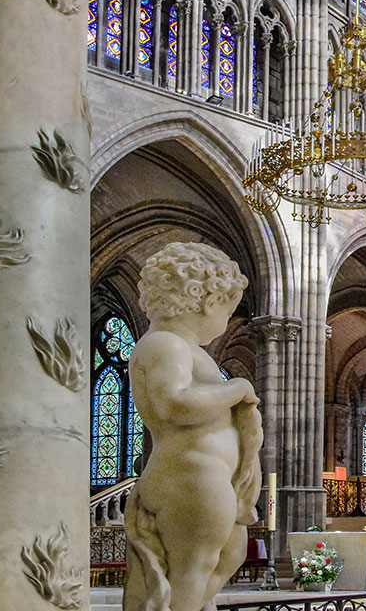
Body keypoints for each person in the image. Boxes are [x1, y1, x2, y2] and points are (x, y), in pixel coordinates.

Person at [123, 242, 263, 611]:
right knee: (191, 569)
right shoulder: (164, 345)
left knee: (229, 554)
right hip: (190, 479)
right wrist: (238, 388)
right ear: (206, 300)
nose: (224, 323)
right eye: (227, 311)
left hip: (211, 480)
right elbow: (175, 404)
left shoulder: (187, 349)